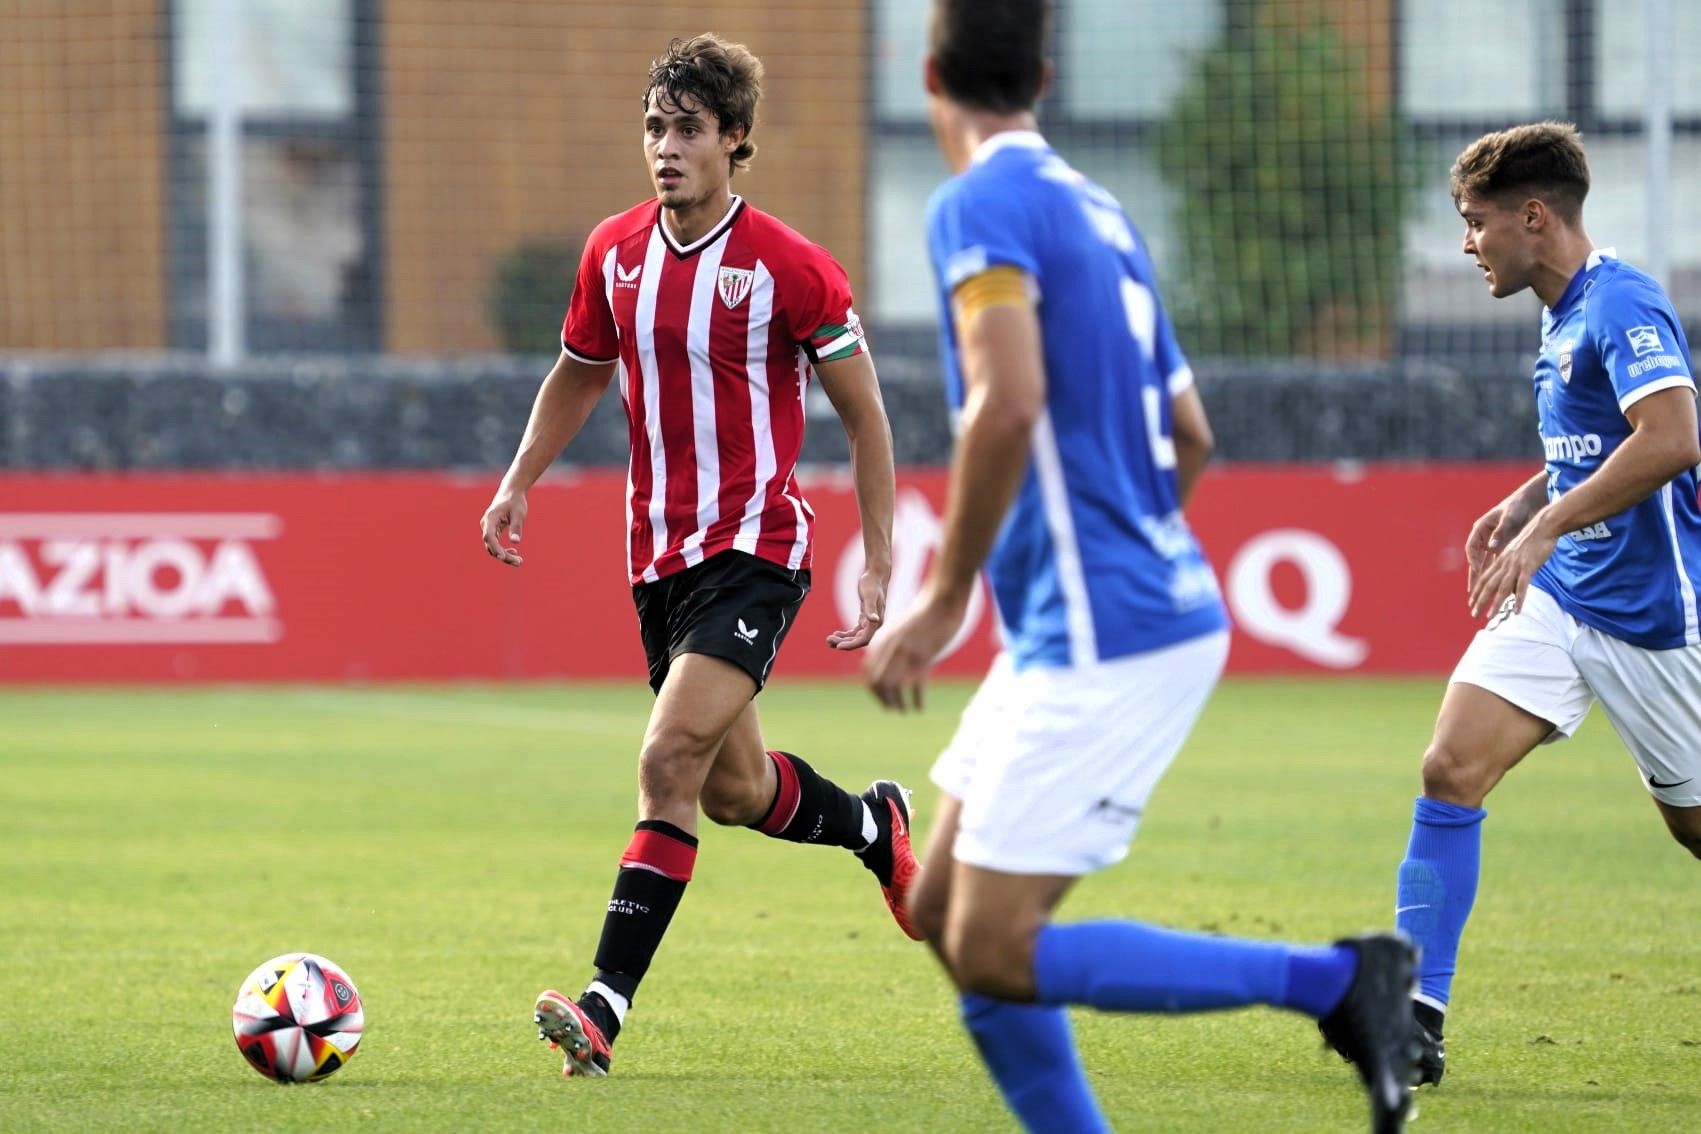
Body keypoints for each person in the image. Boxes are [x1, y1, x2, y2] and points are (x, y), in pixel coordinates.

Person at [861, 3, 1416, 1131]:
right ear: (1047, 77)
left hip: (1104, 632)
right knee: (951, 914)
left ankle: (1335, 981)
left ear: (929, 77)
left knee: (997, 944)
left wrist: (946, 594)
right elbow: (1193, 434)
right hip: (1108, 615)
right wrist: (1119, 547)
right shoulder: (1101, 211)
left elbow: (1005, 403)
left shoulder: (979, 203)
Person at [479, 32, 917, 1079]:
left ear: (734, 141)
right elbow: (579, 373)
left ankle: (602, 1009)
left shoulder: (791, 268)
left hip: (756, 551)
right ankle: (874, 827)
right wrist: (519, 477)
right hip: (659, 560)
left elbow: (865, 418)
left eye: (687, 130)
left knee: (664, 762)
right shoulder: (614, 254)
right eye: (654, 127)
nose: (664, 148)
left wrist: (879, 558)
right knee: (734, 789)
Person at [1387, 121, 1701, 1089]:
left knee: (1694, 831)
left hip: (1657, 618)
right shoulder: (1557, 312)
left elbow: (1674, 435)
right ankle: (1413, 1017)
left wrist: (1546, 524)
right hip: (1566, 604)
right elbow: (1598, 441)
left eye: (1476, 224)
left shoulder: (1624, 301)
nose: (1466, 244)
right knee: (1449, 767)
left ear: (1534, 217)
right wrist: (1532, 499)